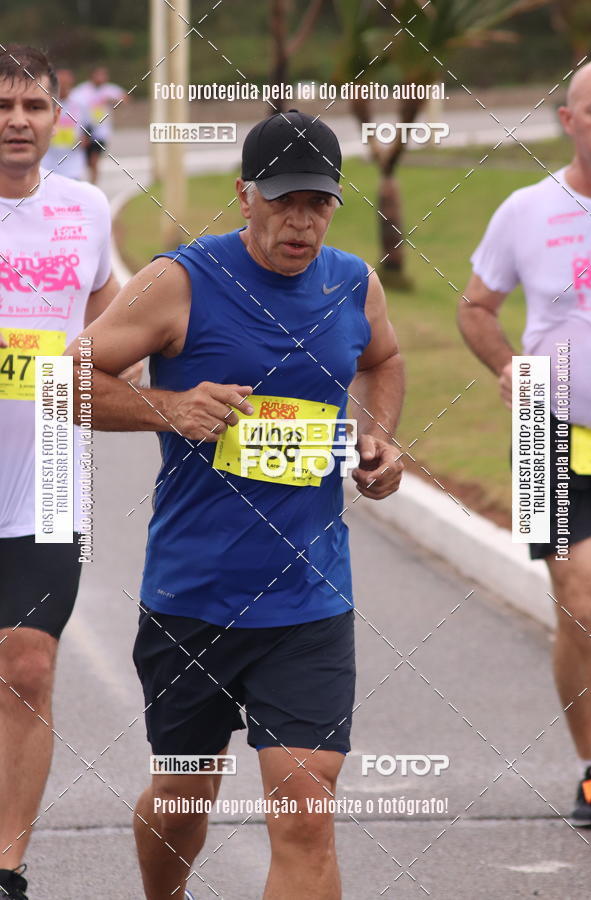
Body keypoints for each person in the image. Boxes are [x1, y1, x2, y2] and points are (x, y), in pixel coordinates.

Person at [67, 110, 405, 900]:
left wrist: (379, 442)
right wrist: (171, 407)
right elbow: (65, 382)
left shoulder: (354, 281)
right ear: (245, 194)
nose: (301, 221)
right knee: (184, 804)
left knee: (305, 816)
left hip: (308, 602)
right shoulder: (179, 281)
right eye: (284, 200)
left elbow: (383, 359)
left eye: (318, 202)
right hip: (193, 600)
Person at [458, 60, 591, 822]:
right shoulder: (525, 210)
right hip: (548, 426)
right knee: (580, 601)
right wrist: (508, 366)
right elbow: (477, 307)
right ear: (568, 121)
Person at [0, 44, 121, 900]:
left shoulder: (87, 209)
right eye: (1, 106)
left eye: (33, 106)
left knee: (29, 666)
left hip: (45, 472)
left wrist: (97, 360)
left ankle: (5, 866)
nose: (16, 121)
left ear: (56, 117)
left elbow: (112, 302)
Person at [71, 66, 127, 184]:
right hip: (85, 130)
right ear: (92, 76)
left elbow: (126, 98)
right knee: (86, 161)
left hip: (102, 132)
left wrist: (112, 101)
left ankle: (93, 185)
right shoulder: (81, 91)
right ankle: (81, 182)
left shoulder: (109, 90)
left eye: (104, 75)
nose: (102, 78)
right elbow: (71, 104)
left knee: (94, 160)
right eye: (99, 75)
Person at [41, 68, 87, 180]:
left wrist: (85, 138)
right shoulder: (45, 102)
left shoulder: (80, 103)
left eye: (66, 83)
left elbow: (89, 126)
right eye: (60, 83)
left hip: (72, 161)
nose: (63, 86)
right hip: (48, 160)